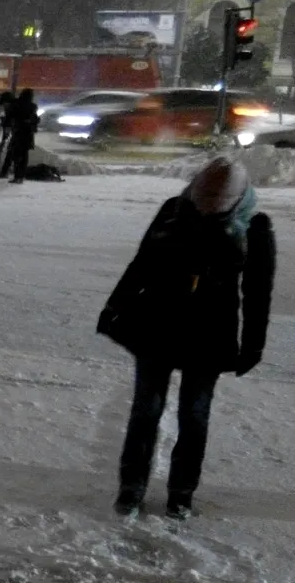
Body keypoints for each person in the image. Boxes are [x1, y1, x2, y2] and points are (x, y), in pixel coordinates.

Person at [99, 157, 274, 519]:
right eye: (203, 199)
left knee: (194, 415)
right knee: (145, 410)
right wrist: (115, 306)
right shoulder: (173, 211)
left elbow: (257, 293)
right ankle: (131, 486)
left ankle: (181, 492)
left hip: (209, 334)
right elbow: (142, 264)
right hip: (157, 324)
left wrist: (253, 344)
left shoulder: (254, 228)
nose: (207, 208)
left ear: (235, 199)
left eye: (216, 203)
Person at [0, 88, 38, 183]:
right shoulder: (32, 106)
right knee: (23, 156)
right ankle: (19, 176)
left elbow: (9, 119)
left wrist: (6, 124)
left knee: (15, 154)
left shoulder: (16, 105)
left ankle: (12, 175)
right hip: (28, 135)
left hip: (18, 134)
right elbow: (36, 120)